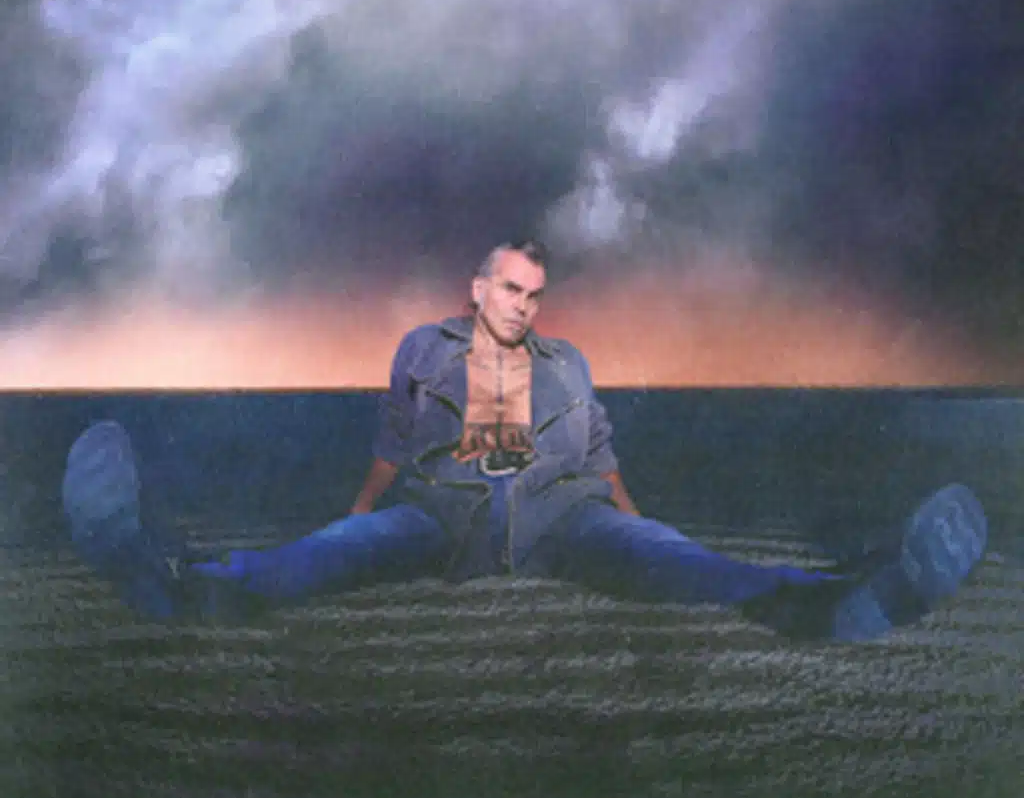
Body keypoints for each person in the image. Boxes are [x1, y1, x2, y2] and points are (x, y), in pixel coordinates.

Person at [62, 239, 988, 641]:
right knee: (314, 561)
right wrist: (354, 515)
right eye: (511, 288)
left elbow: (602, 460)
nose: (525, 304)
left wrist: (644, 526)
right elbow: (392, 441)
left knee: (698, 569)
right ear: (478, 288)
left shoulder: (567, 362)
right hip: (442, 511)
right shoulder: (423, 348)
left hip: (561, 513)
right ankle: (156, 579)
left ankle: (861, 602)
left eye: (536, 293)